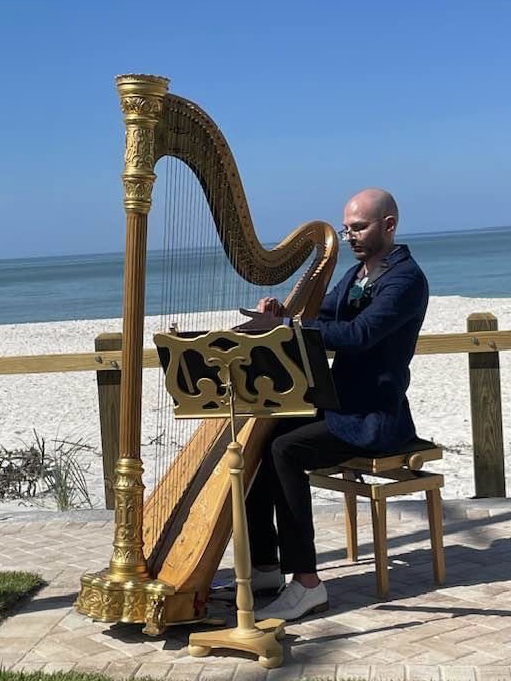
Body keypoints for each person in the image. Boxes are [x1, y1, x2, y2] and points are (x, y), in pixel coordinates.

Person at [235, 187, 429, 622]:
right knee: (260, 440)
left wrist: (289, 324)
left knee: (285, 449)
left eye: (359, 227)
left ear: (389, 225)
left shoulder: (405, 280)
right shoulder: (359, 274)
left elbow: (359, 334)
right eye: (346, 229)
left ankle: (307, 584)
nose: (350, 236)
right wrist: (282, 311)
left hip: (375, 416)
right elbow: (324, 315)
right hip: (340, 405)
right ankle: (266, 567)